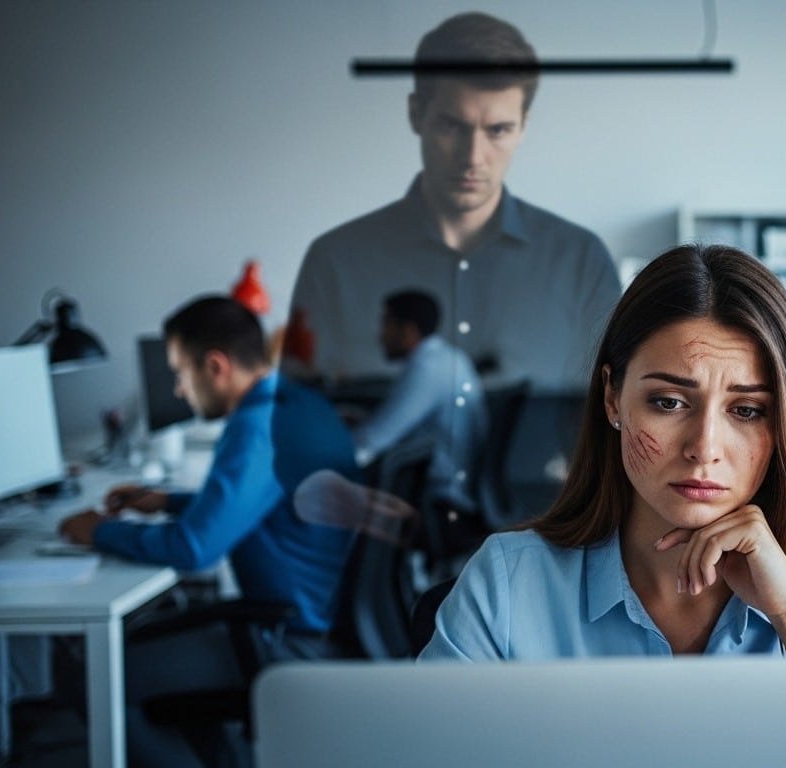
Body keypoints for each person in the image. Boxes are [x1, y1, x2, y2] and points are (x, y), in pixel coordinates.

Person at [419, 244, 786, 660]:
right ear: (613, 397)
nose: (704, 449)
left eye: (747, 411)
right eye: (669, 402)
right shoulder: (508, 585)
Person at [57, 296, 359, 765]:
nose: (179, 390)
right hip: (322, 620)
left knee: (91, 680)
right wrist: (168, 501)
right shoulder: (299, 402)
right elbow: (270, 500)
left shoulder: (256, 427)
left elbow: (193, 548)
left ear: (216, 366)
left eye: (181, 373)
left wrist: (97, 531)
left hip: (287, 637)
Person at [289, 11, 620, 390]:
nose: (473, 157)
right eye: (452, 126)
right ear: (416, 114)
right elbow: (294, 414)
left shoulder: (582, 264)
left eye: (498, 130)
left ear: (523, 127)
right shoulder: (334, 262)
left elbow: (615, 413)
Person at [354, 290, 487, 511]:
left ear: (408, 330)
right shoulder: (449, 357)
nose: (380, 336)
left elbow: (370, 442)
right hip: (451, 486)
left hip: (440, 498)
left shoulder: (427, 367)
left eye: (386, 325)